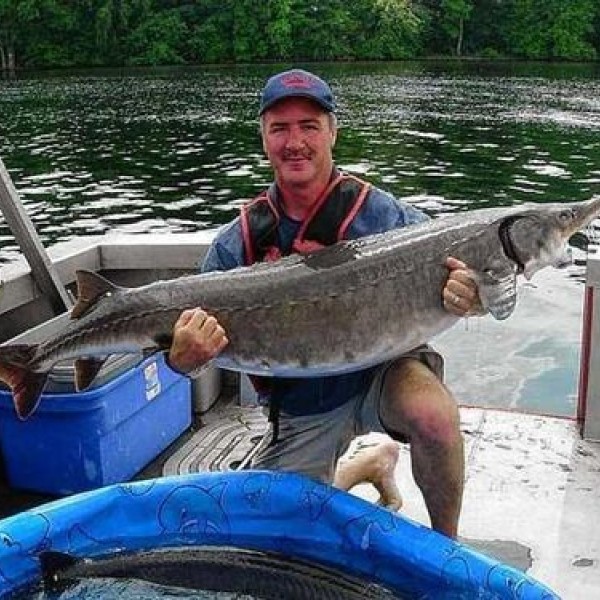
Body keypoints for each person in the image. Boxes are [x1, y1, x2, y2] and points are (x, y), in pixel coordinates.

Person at [169, 69, 482, 539]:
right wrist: (184, 361)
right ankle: (366, 465)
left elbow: (461, 269)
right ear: (264, 138)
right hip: (304, 401)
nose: (295, 141)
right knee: (278, 532)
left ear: (333, 131)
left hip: (386, 372)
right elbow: (189, 349)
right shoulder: (237, 244)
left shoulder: (386, 216)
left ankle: (448, 551)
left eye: (309, 126)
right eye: (280, 128)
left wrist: (470, 292)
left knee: (434, 416)